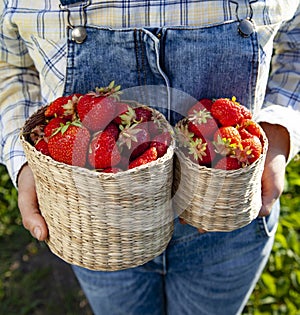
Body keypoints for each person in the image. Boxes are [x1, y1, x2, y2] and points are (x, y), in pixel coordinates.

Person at [1, 0, 299, 314]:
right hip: (92, 225)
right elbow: (9, 67)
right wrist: (24, 162)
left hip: (225, 222)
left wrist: (280, 131)